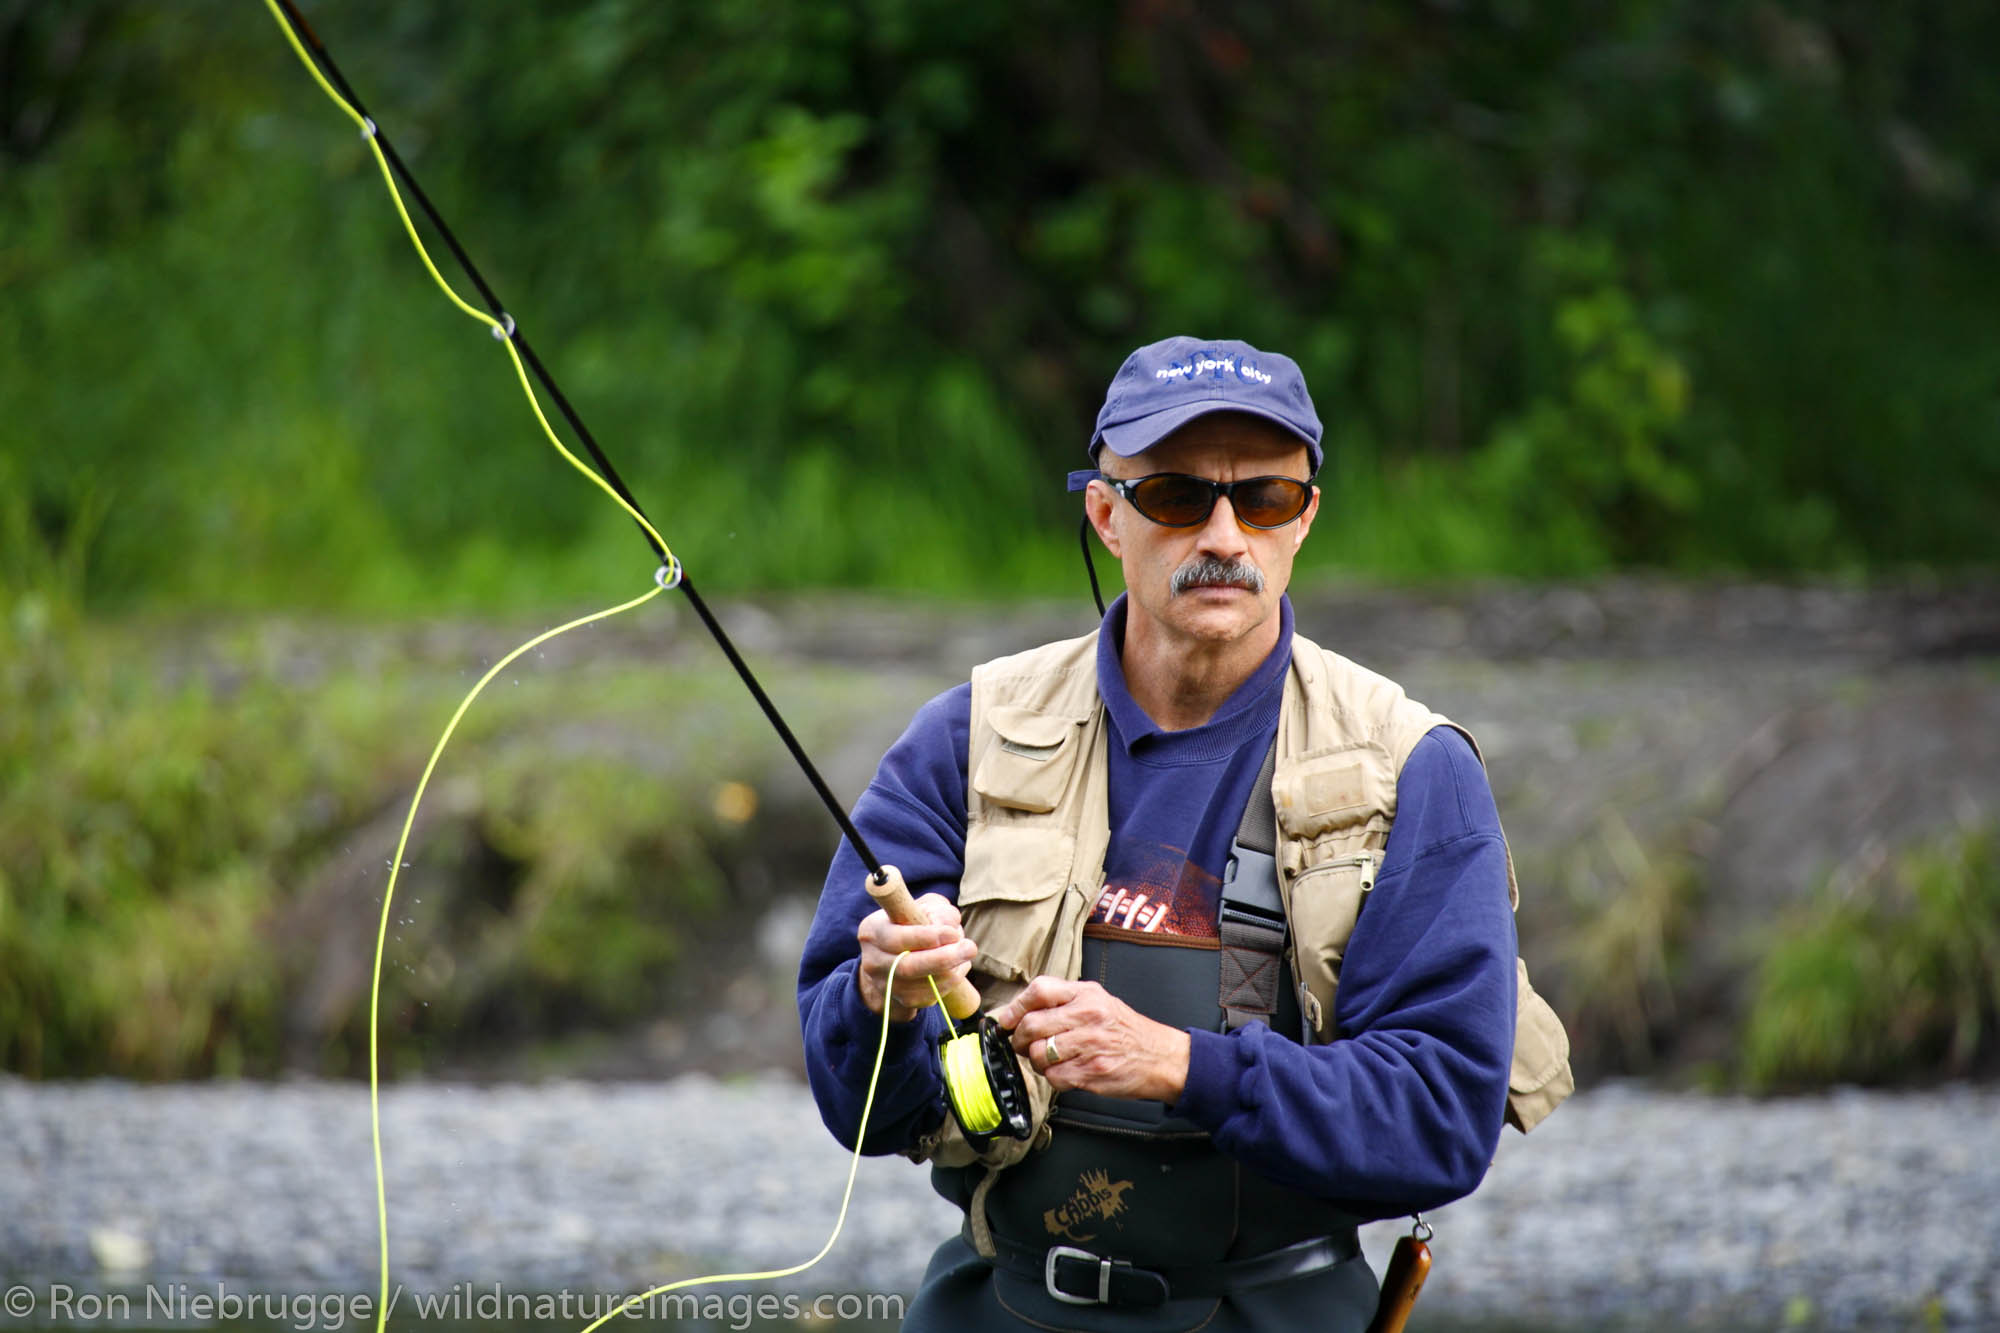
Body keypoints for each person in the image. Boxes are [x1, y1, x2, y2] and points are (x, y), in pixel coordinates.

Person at [797, 336, 1569, 1332]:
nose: (1223, 535)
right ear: (1104, 513)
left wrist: (1178, 1064)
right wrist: (879, 1002)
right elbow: (852, 1098)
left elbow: (1438, 1121)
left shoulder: (1411, 770)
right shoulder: (966, 738)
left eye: (1263, 500)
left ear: (1305, 519)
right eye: (1172, 496)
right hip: (1000, 1302)